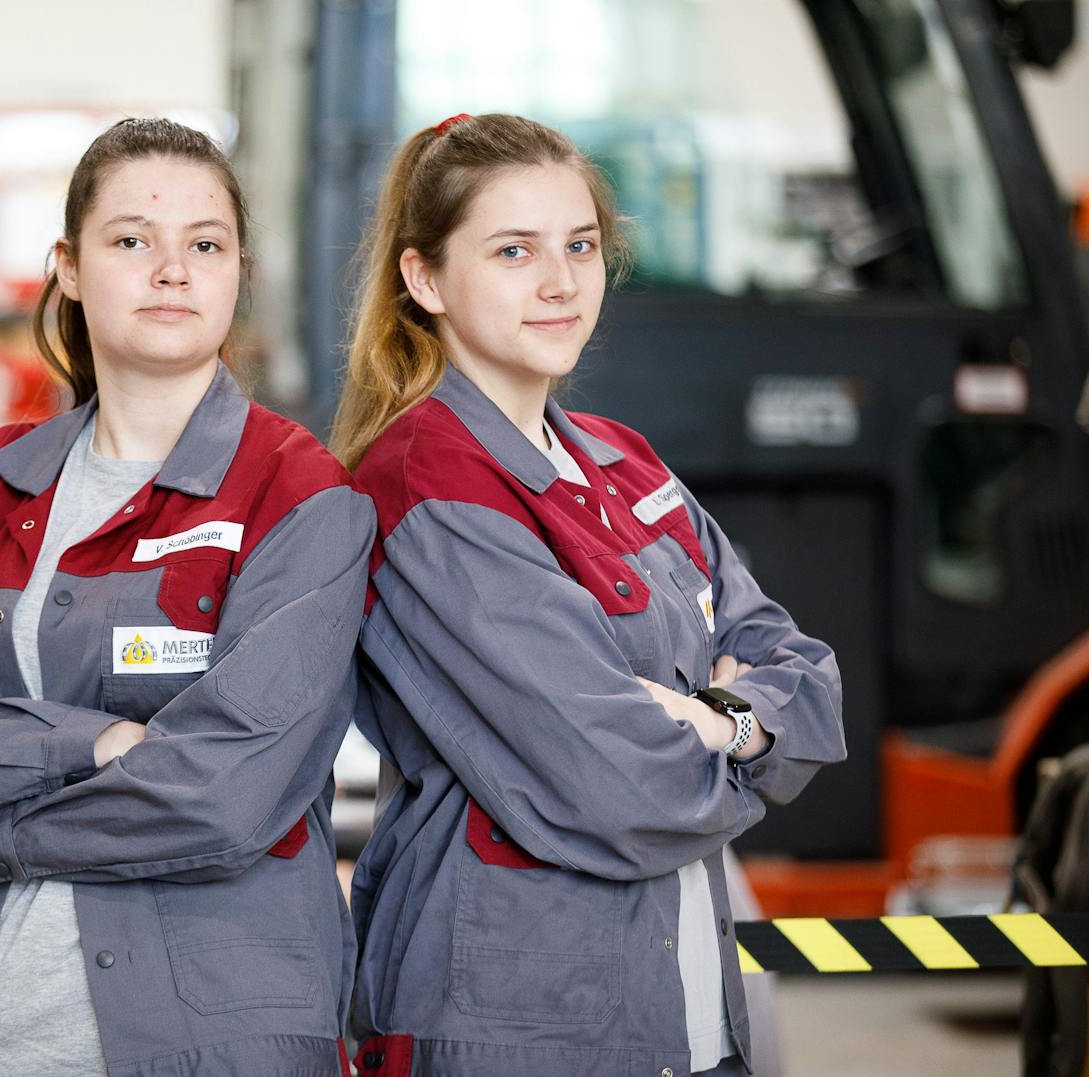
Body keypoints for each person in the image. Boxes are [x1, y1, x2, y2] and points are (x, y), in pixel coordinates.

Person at [0, 117, 374, 1075]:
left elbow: (224, 795)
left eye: (205, 244)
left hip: (210, 1038)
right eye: (132, 241)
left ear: (238, 270)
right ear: (69, 267)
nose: (173, 270)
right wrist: (99, 743)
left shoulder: (299, 495)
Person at [333, 113, 846, 1077]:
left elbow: (811, 684)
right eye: (514, 251)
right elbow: (616, 784)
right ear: (425, 279)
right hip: (521, 1024)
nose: (562, 283)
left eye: (581, 246)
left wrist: (712, 720)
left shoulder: (620, 457)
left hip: (687, 1006)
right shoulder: (426, 486)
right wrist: (745, 738)